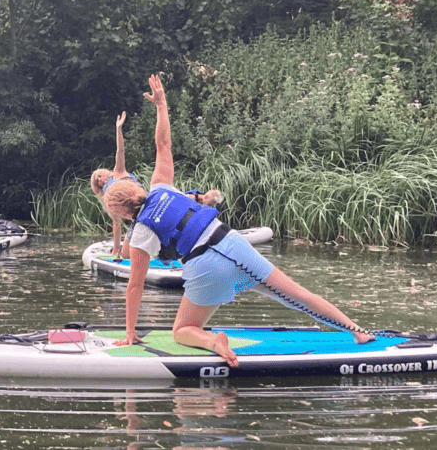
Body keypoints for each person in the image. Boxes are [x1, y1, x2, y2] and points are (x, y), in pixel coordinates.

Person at [103, 75, 373, 367]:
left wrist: (130, 333)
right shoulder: (162, 187)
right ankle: (357, 331)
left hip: (206, 268)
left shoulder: (141, 231)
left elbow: (135, 286)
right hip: (233, 242)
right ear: (138, 189)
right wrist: (162, 105)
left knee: (182, 331)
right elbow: (163, 145)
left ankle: (211, 340)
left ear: (121, 213)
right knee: (298, 293)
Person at [90, 112, 222, 258]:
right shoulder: (109, 200)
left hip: (152, 204)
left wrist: (118, 129)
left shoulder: (118, 172)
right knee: (126, 254)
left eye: (100, 175)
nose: (101, 179)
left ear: (105, 172)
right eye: (97, 180)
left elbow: (120, 150)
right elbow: (116, 224)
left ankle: (201, 199)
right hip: (140, 219)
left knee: (177, 198)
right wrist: (116, 249)